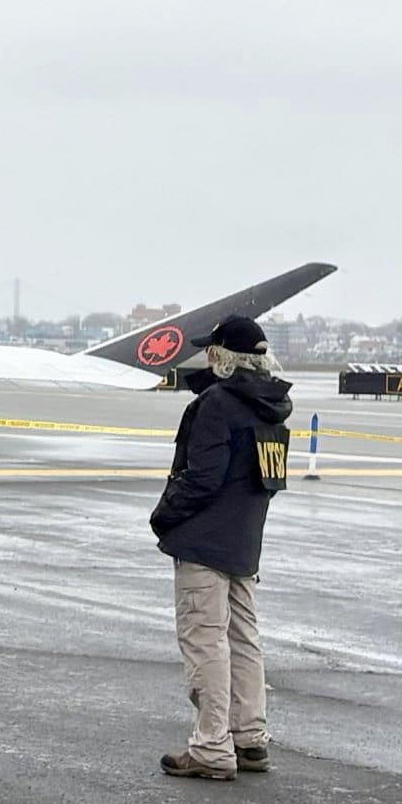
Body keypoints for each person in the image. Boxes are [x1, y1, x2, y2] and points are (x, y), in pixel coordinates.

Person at [152, 310, 293, 778]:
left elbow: (202, 477)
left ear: (222, 357)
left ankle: (212, 745)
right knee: (243, 639)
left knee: (204, 640)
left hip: (205, 542)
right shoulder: (272, 406)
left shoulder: (216, 404)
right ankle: (249, 737)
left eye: (211, 352)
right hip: (244, 541)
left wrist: (164, 516)